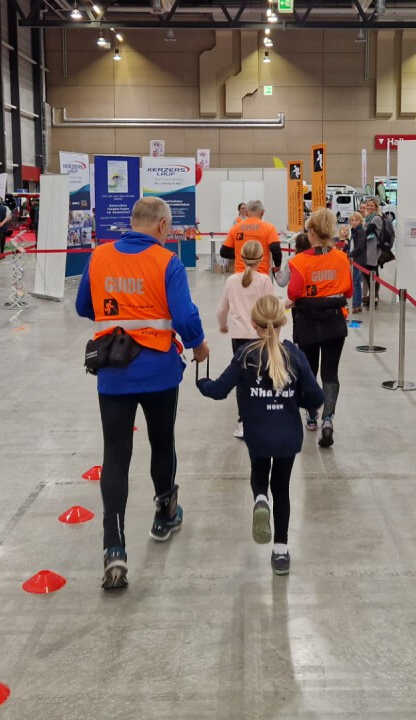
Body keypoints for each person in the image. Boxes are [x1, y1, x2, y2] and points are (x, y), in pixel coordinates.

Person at [75, 197, 210, 590]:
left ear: (132, 223)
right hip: (159, 373)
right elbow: (184, 317)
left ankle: (114, 549)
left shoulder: (99, 256)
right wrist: (199, 345)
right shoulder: (167, 262)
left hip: (113, 373)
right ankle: (165, 515)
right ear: (163, 226)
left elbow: (85, 306)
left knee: (115, 456)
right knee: (161, 443)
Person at [197, 295, 325, 575]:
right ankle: (281, 551)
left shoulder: (245, 355)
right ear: (283, 321)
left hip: (258, 433)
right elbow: (316, 397)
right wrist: (292, 399)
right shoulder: (294, 355)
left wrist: (202, 383)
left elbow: (219, 390)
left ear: (254, 324)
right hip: (288, 437)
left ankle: (259, 500)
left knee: (259, 472)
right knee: (283, 487)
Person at [286, 209, 353, 447]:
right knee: (331, 372)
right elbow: (349, 291)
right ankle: (328, 419)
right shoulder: (341, 258)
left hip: (307, 322)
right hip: (334, 320)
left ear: (311, 232)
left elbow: (293, 292)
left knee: (309, 370)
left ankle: (312, 415)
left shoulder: (299, 261)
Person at [215, 240, 276, 439]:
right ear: (261, 258)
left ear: (240, 257)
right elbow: (271, 312)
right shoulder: (265, 280)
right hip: (262, 337)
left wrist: (223, 325)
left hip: (239, 338)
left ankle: (243, 421)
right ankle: (265, 418)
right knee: (264, 376)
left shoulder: (232, 280)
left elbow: (221, 309)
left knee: (243, 379)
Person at [222, 200, 282, 274]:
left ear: (246, 213)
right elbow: (276, 249)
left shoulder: (235, 228)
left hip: (240, 275)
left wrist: (239, 254)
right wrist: (277, 265)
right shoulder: (269, 228)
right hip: (261, 274)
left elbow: (224, 252)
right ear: (262, 212)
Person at [347, 211, 366, 313]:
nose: (354, 222)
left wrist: (349, 255)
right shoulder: (354, 231)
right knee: (356, 283)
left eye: (356, 220)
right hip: (355, 259)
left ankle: (356, 304)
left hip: (358, 260)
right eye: (352, 220)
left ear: (360, 221)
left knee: (356, 282)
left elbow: (359, 247)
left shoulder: (360, 232)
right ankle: (357, 304)